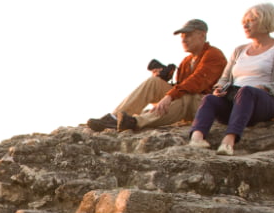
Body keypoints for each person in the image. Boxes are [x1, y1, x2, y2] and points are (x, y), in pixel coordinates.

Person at [188, 3, 274, 155]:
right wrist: (219, 88)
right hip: (235, 101)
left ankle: (229, 141)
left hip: (264, 102)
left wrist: (262, 88)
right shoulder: (239, 50)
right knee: (209, 99)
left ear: (266, 21)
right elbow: (224, 79)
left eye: (251, 20)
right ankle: (197, 138)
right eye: (244, 21)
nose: (245, 24)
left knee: (246, 92)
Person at [87, 19, 227, 132]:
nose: (184, 39)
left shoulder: (213, 55)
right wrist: (162, 79)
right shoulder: (187, 61)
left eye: (189, 35)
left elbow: (196, 83)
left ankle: (135, 122)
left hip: (203, 106)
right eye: (183, 36)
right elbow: (180, 86)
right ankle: (114, 117)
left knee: (186, 96)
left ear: (202, 35)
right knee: (154, 82)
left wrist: (169, 96)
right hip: (186, 103)